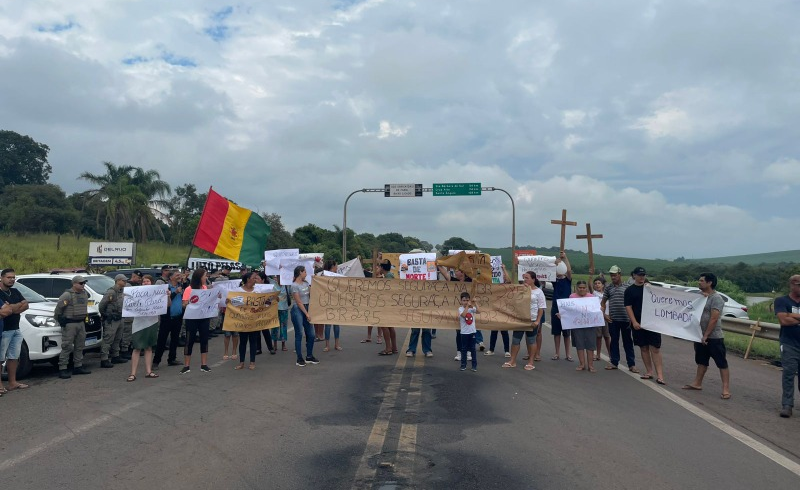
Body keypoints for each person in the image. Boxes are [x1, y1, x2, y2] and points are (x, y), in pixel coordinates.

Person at [682, 273, 730, 399]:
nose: (699, 282)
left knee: (721, 362)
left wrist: (706, 335)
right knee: (701, 360)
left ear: (710, 283)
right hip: (699, 334)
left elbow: (714, 318)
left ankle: (725, 389)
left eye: (702, 281)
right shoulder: (700, 296)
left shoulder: (717, 298)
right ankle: (697, 383)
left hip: (714, 337)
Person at [625, 267, 665, 384]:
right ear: (634, 276)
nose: (642, 277)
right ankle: (649, 371)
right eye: (639, 275)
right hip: (638, 322)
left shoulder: (650, 288)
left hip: (652, 322)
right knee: (643, 347)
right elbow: (628, 307)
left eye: (643, 275)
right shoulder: (629, 290)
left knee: (655, 348)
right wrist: (634, 322)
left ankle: (660, 375)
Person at [601, 266, 639, 373]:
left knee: (628, 342)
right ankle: (614, 362)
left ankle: (631, 364)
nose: (613, 277)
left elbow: (633, 303)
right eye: (611, 275)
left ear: (619, 274)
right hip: (613, 319)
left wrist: (633, 318)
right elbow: (603, 302)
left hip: (627, 319)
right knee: (614, 341)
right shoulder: (608, 288)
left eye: (615, 275)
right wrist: (604, 314)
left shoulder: (628, 286)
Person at [503, 271, 543, 371]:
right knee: (515, 340)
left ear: (533, 279)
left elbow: (541, 308)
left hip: (532, 319)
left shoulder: (539, 292)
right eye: (524, 278)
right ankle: (512, 361)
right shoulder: (520, 289)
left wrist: (538, 321)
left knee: (531, 341)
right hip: (520, 319)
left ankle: (531, 362)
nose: (525, 280)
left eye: (527, 278)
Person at [54, 275, 93, 379]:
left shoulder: (84, 294)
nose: (83, 285)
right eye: (81, 283)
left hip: (80, 323)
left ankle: (78, 366)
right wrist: (61, 321)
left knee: (80, 346)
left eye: (84, 283)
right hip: (70, 324)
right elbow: (58, 309)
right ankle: (63, 368)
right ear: (74, 284)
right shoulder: (67, 295)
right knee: (67, 346)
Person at [774, 274, 800, 418]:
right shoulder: (781, 301)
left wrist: (792, 315)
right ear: (792, 285)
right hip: (789, 343)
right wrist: (788, 316)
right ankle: (787, 405)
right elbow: (783, 321)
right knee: (789, 374)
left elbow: (788, 318)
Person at [0, 269, 30, 391]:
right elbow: (4, 311)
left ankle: (12, 382)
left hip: (16, 329)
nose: (12, 279)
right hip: (4, 330)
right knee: (1, 358)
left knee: (14, 356)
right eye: (9, 277)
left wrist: (12, 307)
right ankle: (0, 385)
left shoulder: (15, 291)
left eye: (13, 277)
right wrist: (17, 306)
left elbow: (26, 304)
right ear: (2, 277)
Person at [127, 275, 160, 381]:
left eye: (148, 281)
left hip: (152, 322)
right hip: (139, 323)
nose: (145, 283)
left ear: (152, 283)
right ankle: (133, 373)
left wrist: (167, 296)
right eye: (144, 281)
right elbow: (129, 305)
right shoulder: (136, 293)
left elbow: (167, 305)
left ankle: (148, 371)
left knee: (149, 347)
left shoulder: (157, 294)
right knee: (137, 348)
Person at [438, 264, 473, 363]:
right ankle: (459, 352)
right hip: (458, 312)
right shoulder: (454, 281)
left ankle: (468, 352)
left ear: (462, 272)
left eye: (456, 270)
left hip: (469, 312)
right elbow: (445, 273)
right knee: (459, 333)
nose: (455, 272)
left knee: (469, 333)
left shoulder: (471, 281)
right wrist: (439, 264)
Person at [181, 268, 213, 374]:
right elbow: (184, 304)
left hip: (204, 317)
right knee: (189, 340)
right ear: (199, 277)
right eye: (205, 276)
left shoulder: (204, 288)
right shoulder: (189, 289)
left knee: (204, 340)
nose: (206, 278)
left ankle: (204, 364)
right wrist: (189, 303)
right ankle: (186, 365)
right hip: (192, 318)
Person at [230, 272, 261, 371]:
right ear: (248, 279)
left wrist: (273, 299)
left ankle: (252, 362)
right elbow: (234, 304)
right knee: (243, 341)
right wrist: (229, 301)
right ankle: (241, 362)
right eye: (254, 278)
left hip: (254, 320)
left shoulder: (258, 291)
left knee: (253, 341)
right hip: (242, 321)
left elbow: (263, 303)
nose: (255, 280)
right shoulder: (238, 290)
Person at [153, 270, 184, 369]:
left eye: (180, 275)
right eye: (177, 275)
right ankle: (156, 361)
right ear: (171, 277)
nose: (179, 276)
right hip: (167, 318)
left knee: (175, 340)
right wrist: (175, 292)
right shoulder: (166, 287)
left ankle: (172, 359)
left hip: (178, 317)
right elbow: (164, 301)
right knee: (162, 340)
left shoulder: (181, 286)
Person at [291, 265, 319, 366]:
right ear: (300, 272)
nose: (306, 274)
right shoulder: (294, 285)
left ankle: (309, 356)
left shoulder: (306, 283)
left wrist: (316, 280)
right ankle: (299, 358)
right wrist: (306, 313)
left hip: (307, 307)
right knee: (299, 333)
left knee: (311, 334)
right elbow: (298, 302)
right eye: (305, 272)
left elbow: (313, 294)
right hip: (297, 309)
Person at [98, 274, 128, 368]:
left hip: (120, 317)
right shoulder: (111, 292)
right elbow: (102, 305)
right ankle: (104, 358)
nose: (125, 282)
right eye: (123, 280)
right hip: (112, 319)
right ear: (118, 280)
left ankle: (116, 355)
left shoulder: (121, 291)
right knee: (108, 339)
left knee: (118, 338)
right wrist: (106, 315)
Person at [569, 281, 599, 373]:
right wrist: (562, 314)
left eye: (583, 287)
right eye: (580, 287)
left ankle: (590, 365)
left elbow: (596, 310)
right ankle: (582, 364)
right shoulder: (572, 297)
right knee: (579, 344)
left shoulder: (592, 297)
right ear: (576, 288)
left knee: (590, 344)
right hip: (577, 324)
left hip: (590, 324)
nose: (582, 289)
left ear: (586, 288)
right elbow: (568, 310)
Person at [550, 251, 573, 361]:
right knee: (556, 332)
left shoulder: (568, 280)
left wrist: (565, 258)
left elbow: (569, 270)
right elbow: (550, 273)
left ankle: (568, 354)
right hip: (556, 307)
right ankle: (557, 353)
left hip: (566, 308)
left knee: (566, 333)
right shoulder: (555, 280)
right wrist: (554, 264)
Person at [486, 263, 511, 358]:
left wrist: (504, 269)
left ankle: (507, 350)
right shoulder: (494, 284)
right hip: (495, 309)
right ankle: (491, 349)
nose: (503, 276)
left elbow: (509, 280)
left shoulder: (506, 285)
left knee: (504, 331)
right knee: (494, 330)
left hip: (504, 309)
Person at [120, 270, 143, 359]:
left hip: (136, 313)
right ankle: (124, 350)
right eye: (138, 278)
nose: (139, 280)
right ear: (134, 276)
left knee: (133, 332)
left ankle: (131, 347)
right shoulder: (128, 286)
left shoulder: (137, 285)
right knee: (127, 332)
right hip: (128, 313)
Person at [376, 260, 397, 356]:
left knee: (384, 326)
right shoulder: (389, 275)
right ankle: (394, 347)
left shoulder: (388, 277)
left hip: (386, 304)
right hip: (390, 304)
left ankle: (388, 348)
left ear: (382, 268)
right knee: (390, 326)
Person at [321, 260, 342, 352]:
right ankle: (327, 345)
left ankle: (336, 344)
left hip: (336, 302)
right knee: (328, 325)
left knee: (336, 324)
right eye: (336, 266)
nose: (337, 267)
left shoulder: (338, 276)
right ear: (332, 266)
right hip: (328, 302)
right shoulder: (324, 276)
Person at [254, 271, 276, 355]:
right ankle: (258, 348)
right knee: (257, 331)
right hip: (255, 312)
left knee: (265, 330)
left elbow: (272, 299)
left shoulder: (268, 288)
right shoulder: (253, 288)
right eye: (255, 278)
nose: (255, 280)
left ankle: (270, 348)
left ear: (262, 280)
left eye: (257, 278)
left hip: (264, 312)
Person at [268, 274, 290, 351]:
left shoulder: (287, 285)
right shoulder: (272, 283)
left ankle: (283, 344)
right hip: (275, 309)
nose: (279, 279)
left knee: (283, 327)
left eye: (281, 277)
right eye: (278, 277)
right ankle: (275, 344)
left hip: (284, 309)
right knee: (274, 326)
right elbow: (266, 275)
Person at [458, 292, 479, 372]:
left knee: (473, 349)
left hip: (472, 331)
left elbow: (479, 311)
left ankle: (474, 365)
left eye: (467, 300)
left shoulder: (472, 308)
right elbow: (463, 315)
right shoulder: (460, 309)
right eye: (464, 300)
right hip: (464, 333)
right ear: (461, 301)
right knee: (464, 349)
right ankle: (463, 365)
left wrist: (475, 303)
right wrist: (467, 306)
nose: (466, 302)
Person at [593, 277, 611, 361]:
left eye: (599, 283)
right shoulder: (594, 293)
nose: (597, 285)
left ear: (603, 285)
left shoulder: (607, 294)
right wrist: (591, 276)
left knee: (607, 336)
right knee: (598, 337)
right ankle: (598, 354)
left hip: (606, 317)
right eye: (595, 283)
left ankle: (610, 355)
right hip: (597, 317)